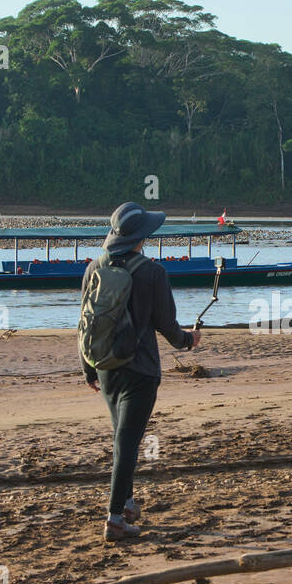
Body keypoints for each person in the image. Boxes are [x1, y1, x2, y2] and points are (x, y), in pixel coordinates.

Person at [83, 202, 200, 541]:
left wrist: (88, 368)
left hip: (105, 367)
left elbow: (85, 323)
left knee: (123, 436)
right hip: (141, 370)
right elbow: (167, 325)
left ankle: (128, 503)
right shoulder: (153, 272)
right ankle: (115, 518)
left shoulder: (94, 268)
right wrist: (188, 341)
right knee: (128, 443)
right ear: (142, 236)